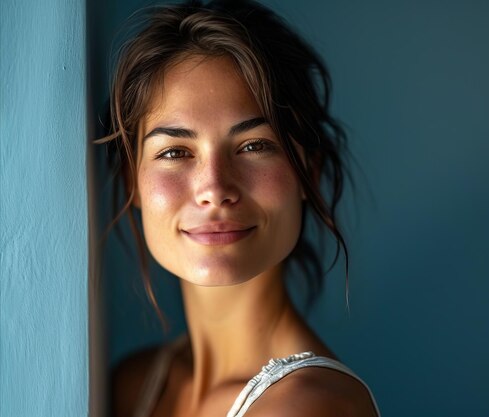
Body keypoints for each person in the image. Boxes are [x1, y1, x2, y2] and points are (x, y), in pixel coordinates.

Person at [100, 1, 380, 416]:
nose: (214, 188)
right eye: (176, 151)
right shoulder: (135, 384)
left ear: (308, 172)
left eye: (253, 146)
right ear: (131, 181)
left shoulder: (308, 407)